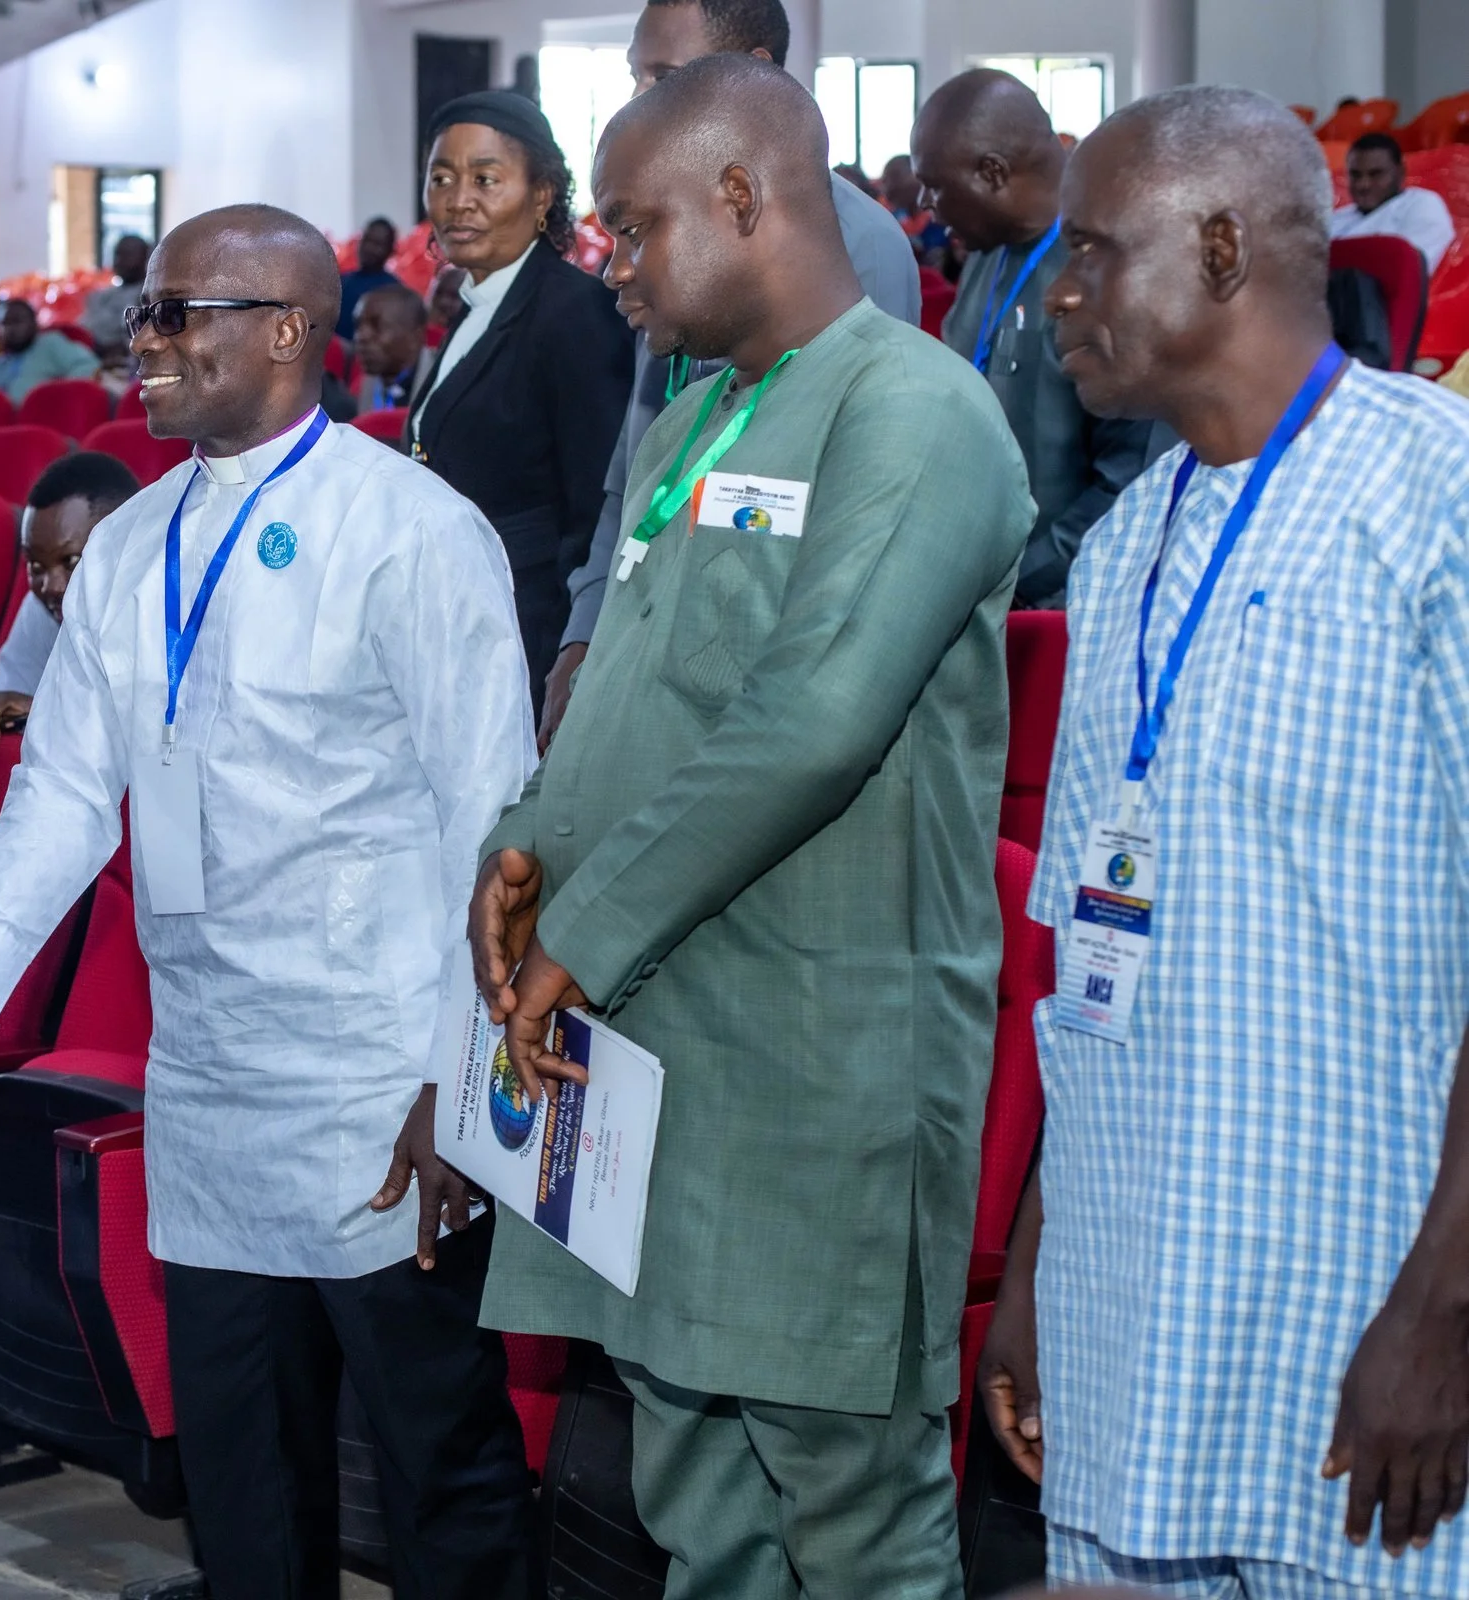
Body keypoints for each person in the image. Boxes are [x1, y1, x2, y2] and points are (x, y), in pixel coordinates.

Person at [457, 56, 1033, 1599]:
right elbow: (629, 679)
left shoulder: (921, 409)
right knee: (695, 1491)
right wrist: (525, 844)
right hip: (656, 1040)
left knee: (849, 1508)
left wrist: (575, 930)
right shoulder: (700, 415)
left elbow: (814, 720)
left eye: (636, 230)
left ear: (742, 197)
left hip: (818, 1045)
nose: (614, 268)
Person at [0, 202, 539, 1600]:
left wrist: (464, 1077)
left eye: (179, 311)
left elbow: (494, 825)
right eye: (143, 310)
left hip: (382, 1084)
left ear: (286, 331)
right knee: (244, 1481)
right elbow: (64, 797)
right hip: (207, 1083)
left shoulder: (413, 534)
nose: (145, 339)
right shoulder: (132, 546)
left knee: (440, 1463)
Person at [979, 86, 1469, 1597]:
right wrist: (1040, 1274)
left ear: (1216, 247)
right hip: (1134, 1322)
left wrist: (1447, 1317)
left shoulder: (1436, 501)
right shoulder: (1123, 552)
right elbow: (1091, 959)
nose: (1057, 292)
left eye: (1091, 253)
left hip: (1358, 1334)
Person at [543, 0, 925, 748]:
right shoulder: (659, 246)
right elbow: (637, 466)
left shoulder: (856, 247)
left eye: (667, 79)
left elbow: (844, 500)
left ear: (752, 76)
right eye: (637, 79)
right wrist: (587, 629)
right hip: (651, 607)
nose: (641, 103)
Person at [406, 90, 635, 705]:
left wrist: (572, 648)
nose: (459, 200)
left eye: (486, 179)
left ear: (540, 195)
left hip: (527, 632)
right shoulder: (476, 301)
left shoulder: (573, 311)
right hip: (456, 615)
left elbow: (594, 506)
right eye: (442, 178)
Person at [913, 68, 1165, 610]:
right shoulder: (986, 257)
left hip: (1062, 605)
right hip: (980, 586)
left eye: (935, 185)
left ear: (992, 172)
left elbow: (1131, 481)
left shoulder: (1111, 271)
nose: (925, 204)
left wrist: (1024, 580)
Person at [0, 450, 140, 766]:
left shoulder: (180, 602)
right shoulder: (46, 605)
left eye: (71, 561)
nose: (51, 586)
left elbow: (170, 730)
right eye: (35, 566)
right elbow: (8, 696)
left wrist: (48, 708)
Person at [1333, 130, 1457, 272]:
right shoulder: (1337, 218)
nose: (1363, 184)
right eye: (1355, 175)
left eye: (1376, 174)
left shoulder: (1421, 205)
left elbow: (1406, 271)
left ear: (1400, 172)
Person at [0, 299, 101, 402]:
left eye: (17, 322)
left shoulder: (50, 343)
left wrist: (57, 394)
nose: (10, 329)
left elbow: (87, 365)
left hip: (44, 418)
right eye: (4, 324)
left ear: (34, 324)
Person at [351, 283, 427, 411]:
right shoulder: (357, 391)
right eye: (358, 325)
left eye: (376, 326)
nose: (361, 337)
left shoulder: (446, 386)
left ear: (415, 338)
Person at [81, 233, 151, 355]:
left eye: (127, 255)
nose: (119, 261)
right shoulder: (102, 296)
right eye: (117, 255)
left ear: (145, 258)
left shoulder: (149, 296)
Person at [336, 215, 402, 339]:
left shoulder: (394, 291)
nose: (369, 248)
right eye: (366, 240)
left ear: (390, 250)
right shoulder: (341, 281)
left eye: (377, 244)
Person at [884, 152, 952, 264]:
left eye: (895, 176)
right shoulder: (889, 218)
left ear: (915, 174)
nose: (888, 187)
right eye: (885, 180)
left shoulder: (945, 217)